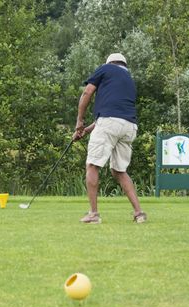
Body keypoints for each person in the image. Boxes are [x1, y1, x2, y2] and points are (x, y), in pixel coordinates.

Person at [72, 53, 146, 224]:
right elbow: (112, 118)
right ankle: (139, 213)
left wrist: (79, 122)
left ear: (110, 63)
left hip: (110, 123)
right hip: (129, 126)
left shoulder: (106, 69)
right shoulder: (128, 79)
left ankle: (94, 214)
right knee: (119, 171)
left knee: (92, 165)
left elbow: (87, 93)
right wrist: (85, 130)